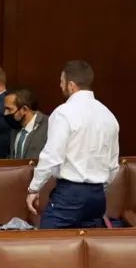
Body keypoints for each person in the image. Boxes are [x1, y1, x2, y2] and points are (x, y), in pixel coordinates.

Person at [26, 60, 120, 229]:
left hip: (70, 194)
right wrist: (97, 188)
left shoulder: (63, 113)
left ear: (71, 85)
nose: (60, 86)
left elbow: (52, 156)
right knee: (89, 250)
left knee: (48, 247)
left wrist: (34, 189)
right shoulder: (109, 116)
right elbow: (113, 166)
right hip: (97, 196)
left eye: (61, 82)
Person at [4, 87, 49, 159]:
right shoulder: (14, 126)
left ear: (24, 109)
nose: (5, 113)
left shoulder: (48, 126)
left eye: (9, 109)